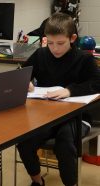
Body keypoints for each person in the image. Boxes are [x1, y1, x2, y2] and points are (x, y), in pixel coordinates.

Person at [18, 12, 100, 186]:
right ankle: (37, 181)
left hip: (77, 118)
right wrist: (24, 81)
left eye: (60, 43)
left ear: (72, 38)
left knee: (65, 142)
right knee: (24, 140)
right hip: (45, 117)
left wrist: (69, 91)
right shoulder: (40, 55)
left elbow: (97, 82)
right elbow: (21, 73)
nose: (55, 48)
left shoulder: (84, 59)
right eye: (50, 42)